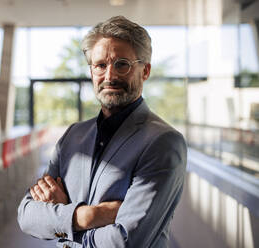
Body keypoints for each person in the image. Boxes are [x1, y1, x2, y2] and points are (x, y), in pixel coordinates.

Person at [17, 15, 187, 248]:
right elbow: (26, 215)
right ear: (91, 71)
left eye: (122, 64)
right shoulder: (72, 136)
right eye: (100, 65)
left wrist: (61, 224)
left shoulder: (163, 142)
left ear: (145, 71)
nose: (110, 76)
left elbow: (125, 241)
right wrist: (88, 216)